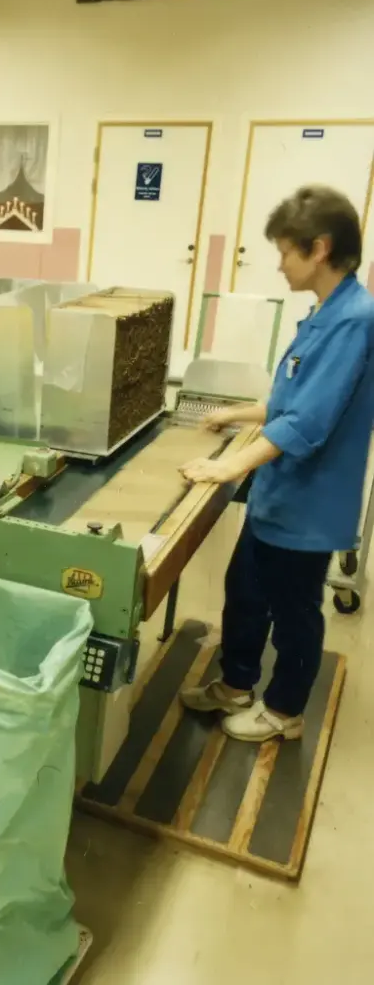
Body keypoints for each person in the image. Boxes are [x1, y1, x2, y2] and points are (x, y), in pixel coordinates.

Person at [178, 185, 374, 742]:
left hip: (307, 505)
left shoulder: (355, 321)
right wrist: (233, 414)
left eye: (285, 252)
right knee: (246, 591)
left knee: (294, 614)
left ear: (319, 248)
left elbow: (308, 423)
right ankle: (237, 683)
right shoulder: (322, 315)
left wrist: (228, 468)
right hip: (278, 497)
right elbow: (290, 399)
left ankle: (284, 709)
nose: (279, 265)